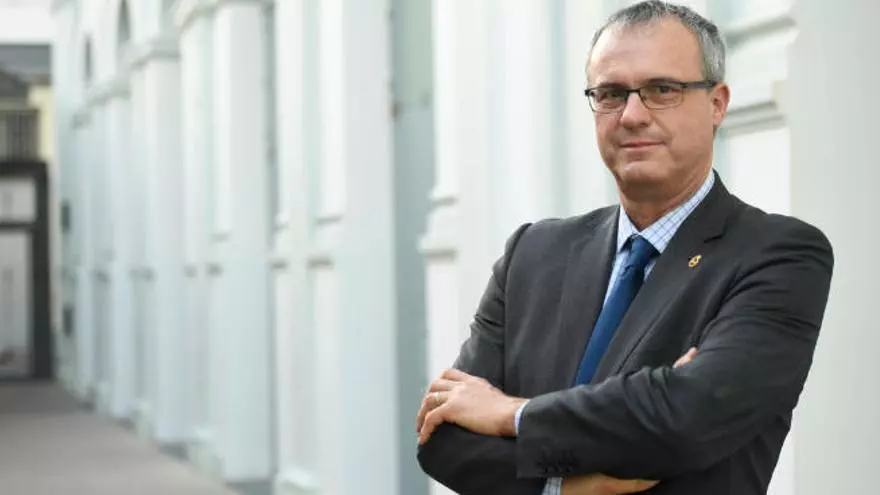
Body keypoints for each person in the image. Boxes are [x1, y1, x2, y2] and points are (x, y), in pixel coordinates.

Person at [414, 1, 834, 494]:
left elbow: (685, 418)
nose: (632, 115)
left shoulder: (779, 256)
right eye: (611, 94)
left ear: (717, 103)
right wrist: (569, 489)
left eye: (662, 90)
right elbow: (443, 436)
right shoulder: (532, 254)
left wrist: (512, 414)